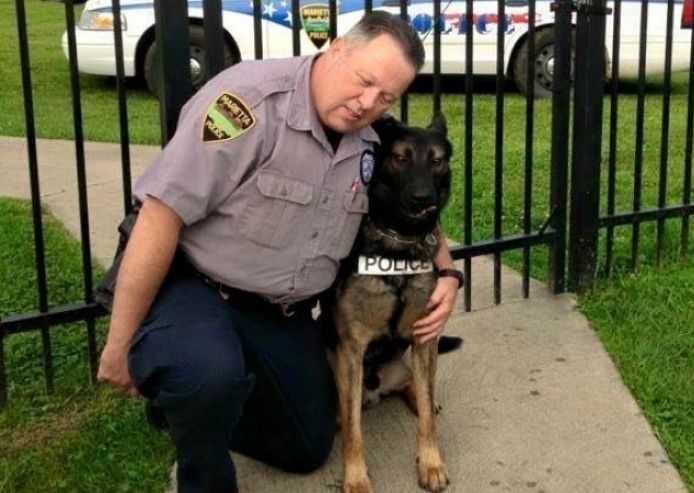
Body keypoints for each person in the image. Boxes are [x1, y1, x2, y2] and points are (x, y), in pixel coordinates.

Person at [96, 12, 462, 493]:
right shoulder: (246, 104)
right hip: (200, 289)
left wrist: (449, 273)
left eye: (386, 96)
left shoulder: (374, 133)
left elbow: (414, 207)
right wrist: (119, 344)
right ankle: (195, 415)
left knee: (306, 447)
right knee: (206, 375)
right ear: (335, 49)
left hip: (280, 313)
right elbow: (160, 215)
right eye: (364, 81)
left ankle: (195, 398)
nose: (367, 103)